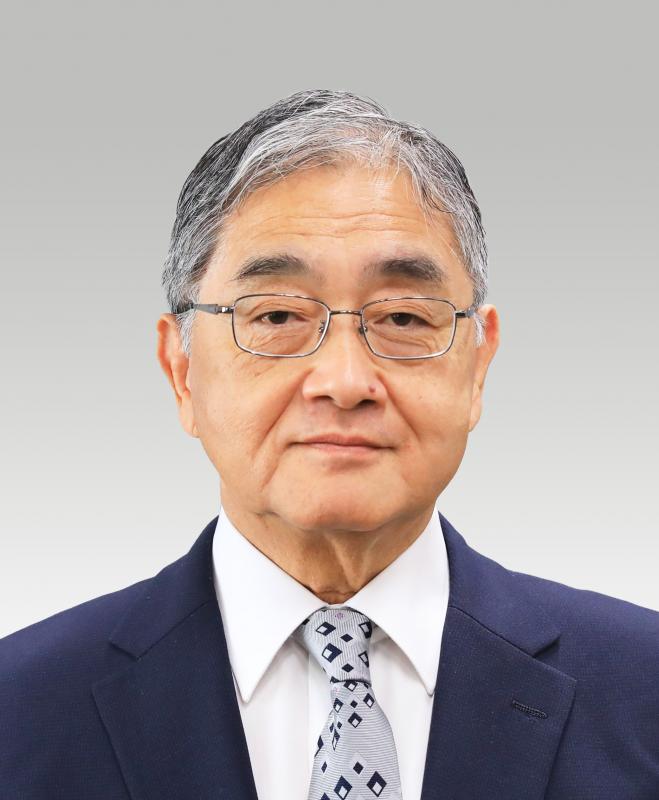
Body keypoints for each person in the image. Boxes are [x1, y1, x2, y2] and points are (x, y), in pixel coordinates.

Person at [1, 88, 658, 799]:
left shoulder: (642, 689)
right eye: (277, 315)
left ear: (477, 365)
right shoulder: (21, 709)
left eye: (403, 317)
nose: (345, 382)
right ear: (181, 369)